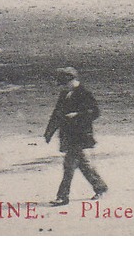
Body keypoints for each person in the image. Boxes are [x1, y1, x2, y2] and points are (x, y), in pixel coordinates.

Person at [43, 67, 107, 205]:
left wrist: (78, 115)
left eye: (65, 84)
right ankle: (100, 187)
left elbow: (95, 112)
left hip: (80, 135)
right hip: (68, 136)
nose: (63, 87)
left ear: (73, 80)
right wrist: (49, 132)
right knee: (83, 165)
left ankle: (63, 196)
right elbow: (56, 114)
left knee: (69, 166)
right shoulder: (64, 94)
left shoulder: (85, 94)